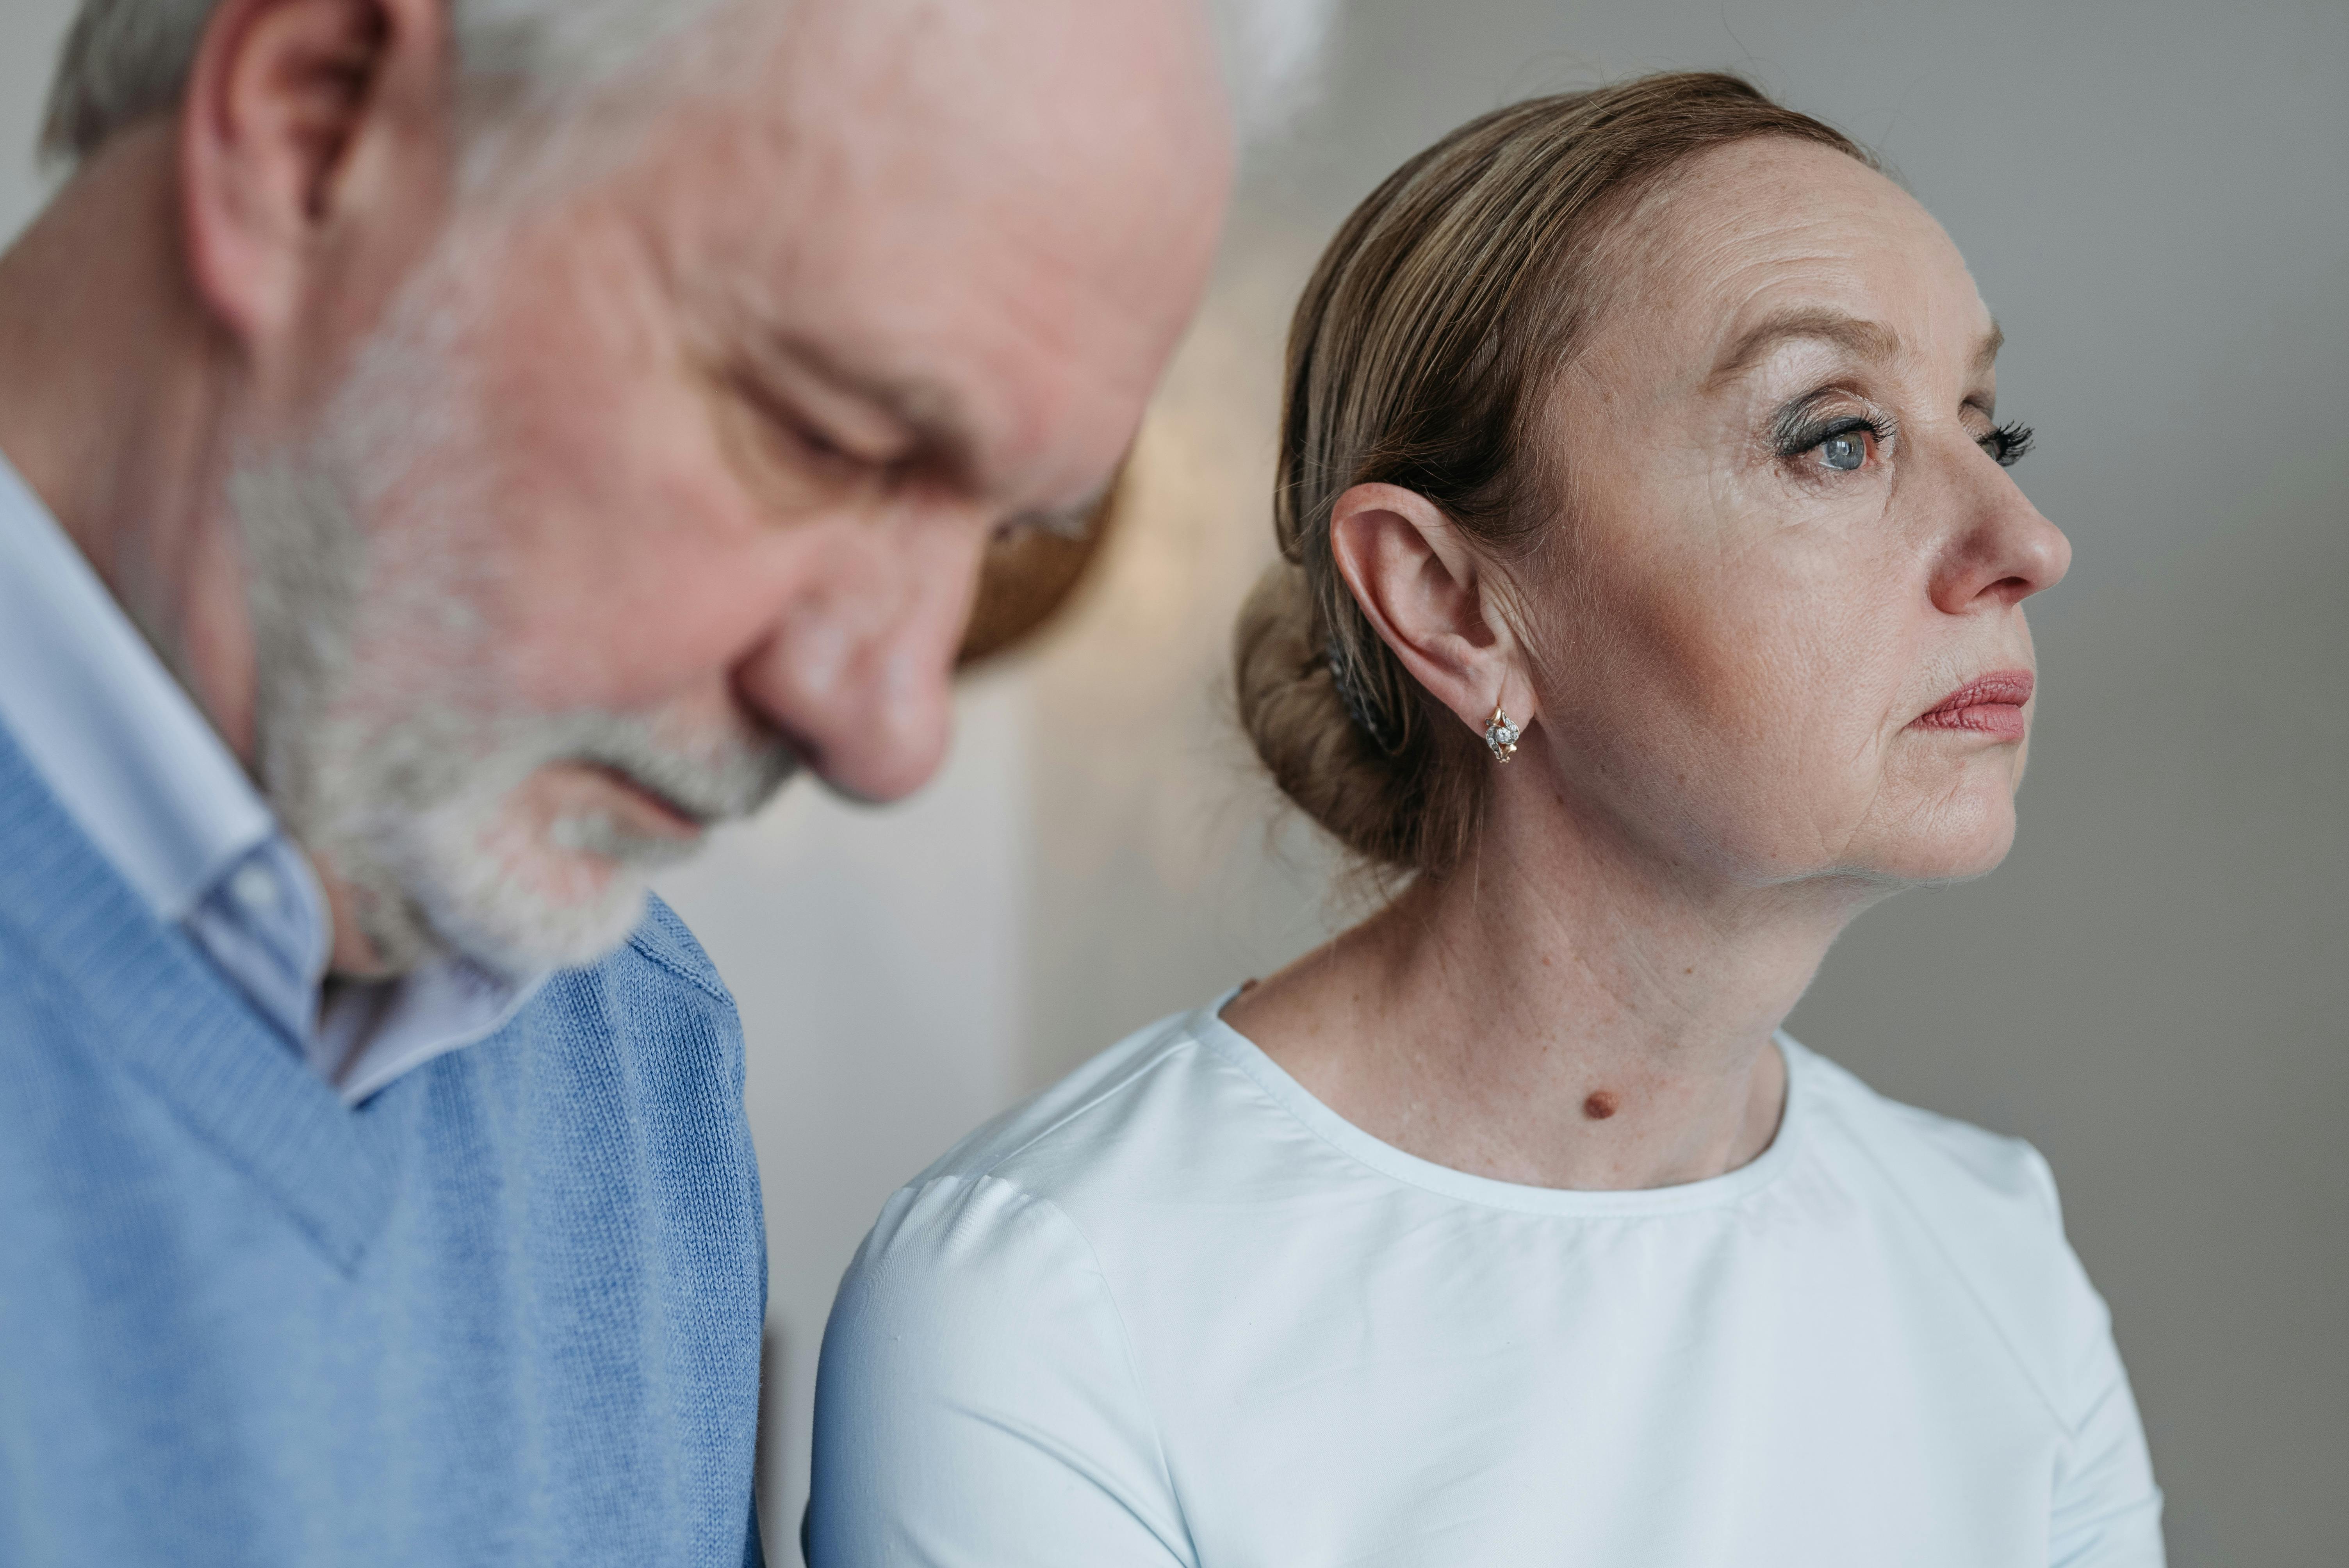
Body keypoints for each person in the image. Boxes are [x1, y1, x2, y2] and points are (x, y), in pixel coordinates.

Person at [809, 73, 2165, 1565]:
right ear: (1449, 604)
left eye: (1991, 429)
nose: (2024, 543)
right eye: (1833, 438)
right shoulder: (1051, 1303)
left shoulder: (1991, 1251)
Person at [0, 0, 1230, 1560]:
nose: (892, 731)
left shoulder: (639, 1058)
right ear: (312, 129)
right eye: (826, 435)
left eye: (999, 534)